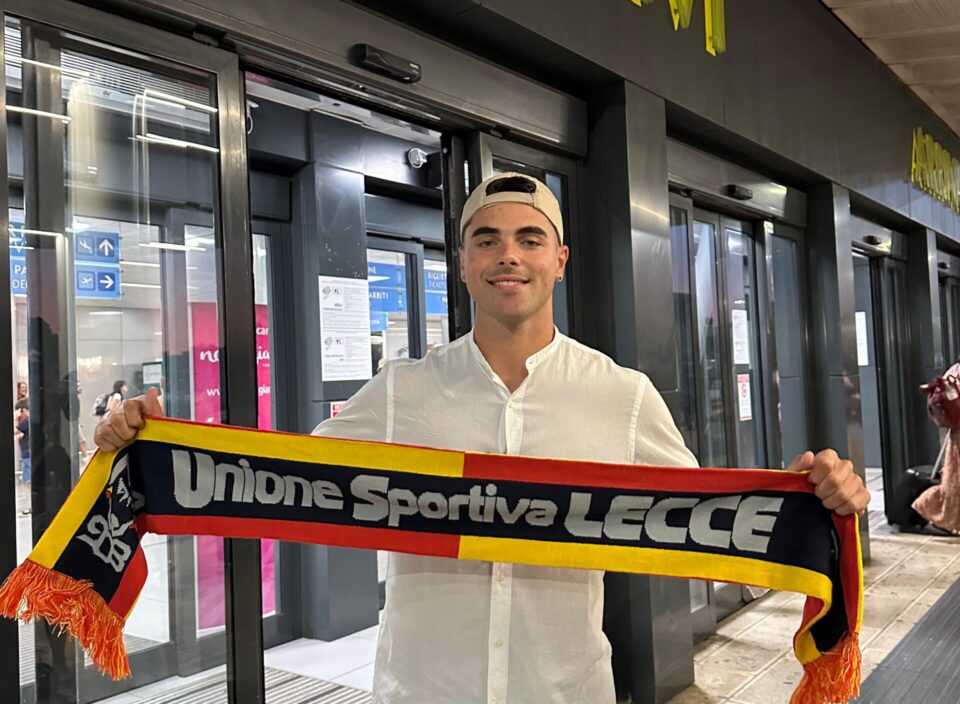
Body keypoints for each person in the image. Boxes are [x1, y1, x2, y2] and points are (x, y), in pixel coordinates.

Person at [94, 173, 870, 703]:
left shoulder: (622, 397)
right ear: (462, 263)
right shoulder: (400, 393)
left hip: (568, 692)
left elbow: (708, 520)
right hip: (422, 690)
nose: (509, 256)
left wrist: (814, 500)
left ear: (559, 260)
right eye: (488, 240)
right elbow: (280, 477)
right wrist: (141, 446)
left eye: (530, 239)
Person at [912, 361, 960, 534]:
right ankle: (928, 507)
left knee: (954, 480)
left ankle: (945, 517)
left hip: (957, 434)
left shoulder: (955, 370)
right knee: (954, 482)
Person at [14, 398, 29, 488]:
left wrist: (14, 418)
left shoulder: (26, 422)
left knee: (28, 482)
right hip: (28, 454)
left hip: (27, 455)